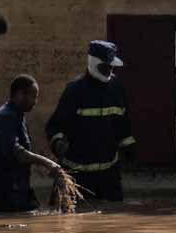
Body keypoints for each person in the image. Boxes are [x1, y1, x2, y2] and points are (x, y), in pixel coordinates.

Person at [45, 40, 135, 201]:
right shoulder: (74, 90)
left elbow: (124, 126)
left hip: (109, 176)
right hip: (76, 176)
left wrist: (130, 151)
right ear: (93, 63)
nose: (109, 70)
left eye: (111, 67)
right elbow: (54, 126)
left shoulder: (117, 89)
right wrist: (57, 143)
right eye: (105, 67)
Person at [0, 75, 65, 213]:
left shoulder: (17, 115)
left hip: (17, 189)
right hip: (4, 194)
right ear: (20, 94)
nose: (36, 101)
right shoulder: (6, 117)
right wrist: (48, 163)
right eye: (34, 96)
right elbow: (17, 152)